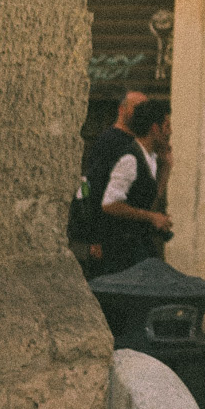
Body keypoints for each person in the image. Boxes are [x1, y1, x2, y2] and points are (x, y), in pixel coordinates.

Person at [70, 90, 149, 269]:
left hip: (130, 237)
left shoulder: (139, 144)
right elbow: (93, 187)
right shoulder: (110, 142)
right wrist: (95, 238)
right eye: (138, 108)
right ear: (122, 110)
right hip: (109, 239)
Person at [98, 98, 173, 275]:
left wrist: (166, 168)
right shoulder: (130, 159)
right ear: (155, 129)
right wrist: (151, 217)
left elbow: (148, 201)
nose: (170, 132)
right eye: (167, 126)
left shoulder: (151, 159)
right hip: (123, 251)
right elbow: (109, 204)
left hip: (137, 245)